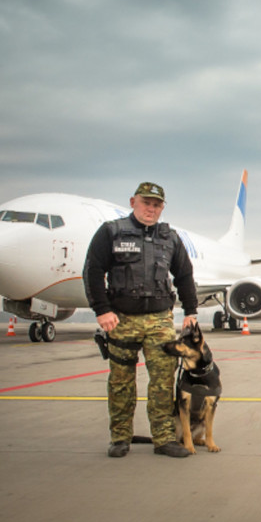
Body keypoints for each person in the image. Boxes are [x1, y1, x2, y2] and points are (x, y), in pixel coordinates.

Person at [84, 182, 200, 457]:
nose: (151, 208)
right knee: (121, 381)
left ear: (162, 207)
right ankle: (120, 438)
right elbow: (92, 270)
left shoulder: (169, 237)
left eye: (157, 204)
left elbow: (184, 275)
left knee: (162, 380)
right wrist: (102, 309)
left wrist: (191, 312)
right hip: (121, 319)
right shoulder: (111, 232)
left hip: (160, 320)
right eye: (146, 202)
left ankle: (164, 439)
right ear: (133, 201)